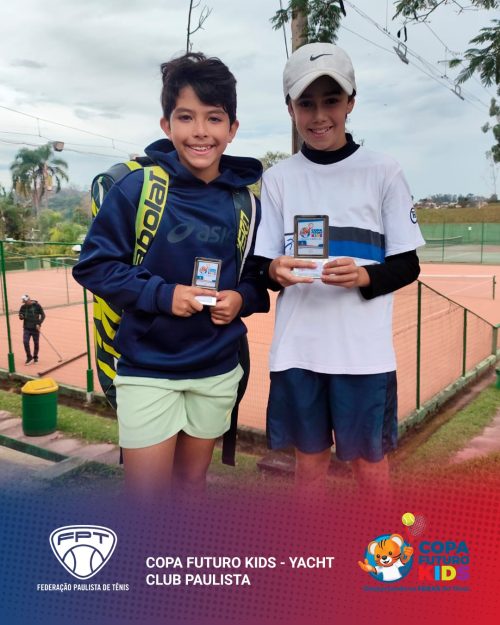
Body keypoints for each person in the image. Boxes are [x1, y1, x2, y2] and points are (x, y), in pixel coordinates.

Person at [73, 52, 269, 499]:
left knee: (192, 484)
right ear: (166, 124)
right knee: (146, 497)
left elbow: (257, 278)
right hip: (148, 370)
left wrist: (241, 298)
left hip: (217, 369)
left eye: (214, 118)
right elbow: (94, 266)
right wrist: (164, 295)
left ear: (232, 128)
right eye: (186, 117)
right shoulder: (137, 188)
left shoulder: (247, 203)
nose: (200, 131)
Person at [254, 43, 425, 494]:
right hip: (298, 353)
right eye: (305, 103)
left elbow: (408, 265)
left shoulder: (384, 171)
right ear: (290, 108)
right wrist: (274, 271)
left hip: (363, 357)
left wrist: (365, 276)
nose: (318, 116)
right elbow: (261, 265)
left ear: (351, 102)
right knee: (308, 466)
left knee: (370, 466)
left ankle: (380, 544)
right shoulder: (278, 179)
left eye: (331, 100)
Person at [18, 294, 45, 364]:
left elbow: (43, 315)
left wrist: (39, 323)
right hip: (26, 328)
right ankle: (29, 357)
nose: (25, 303)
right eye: (24, 302)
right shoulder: (23, 307)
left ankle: (35, 357)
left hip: (35, 328)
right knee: (25, 342)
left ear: (29, 299)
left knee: (36, 343)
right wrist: (21, 316)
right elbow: (21, 317)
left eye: (26, 301)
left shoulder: (37, 306)